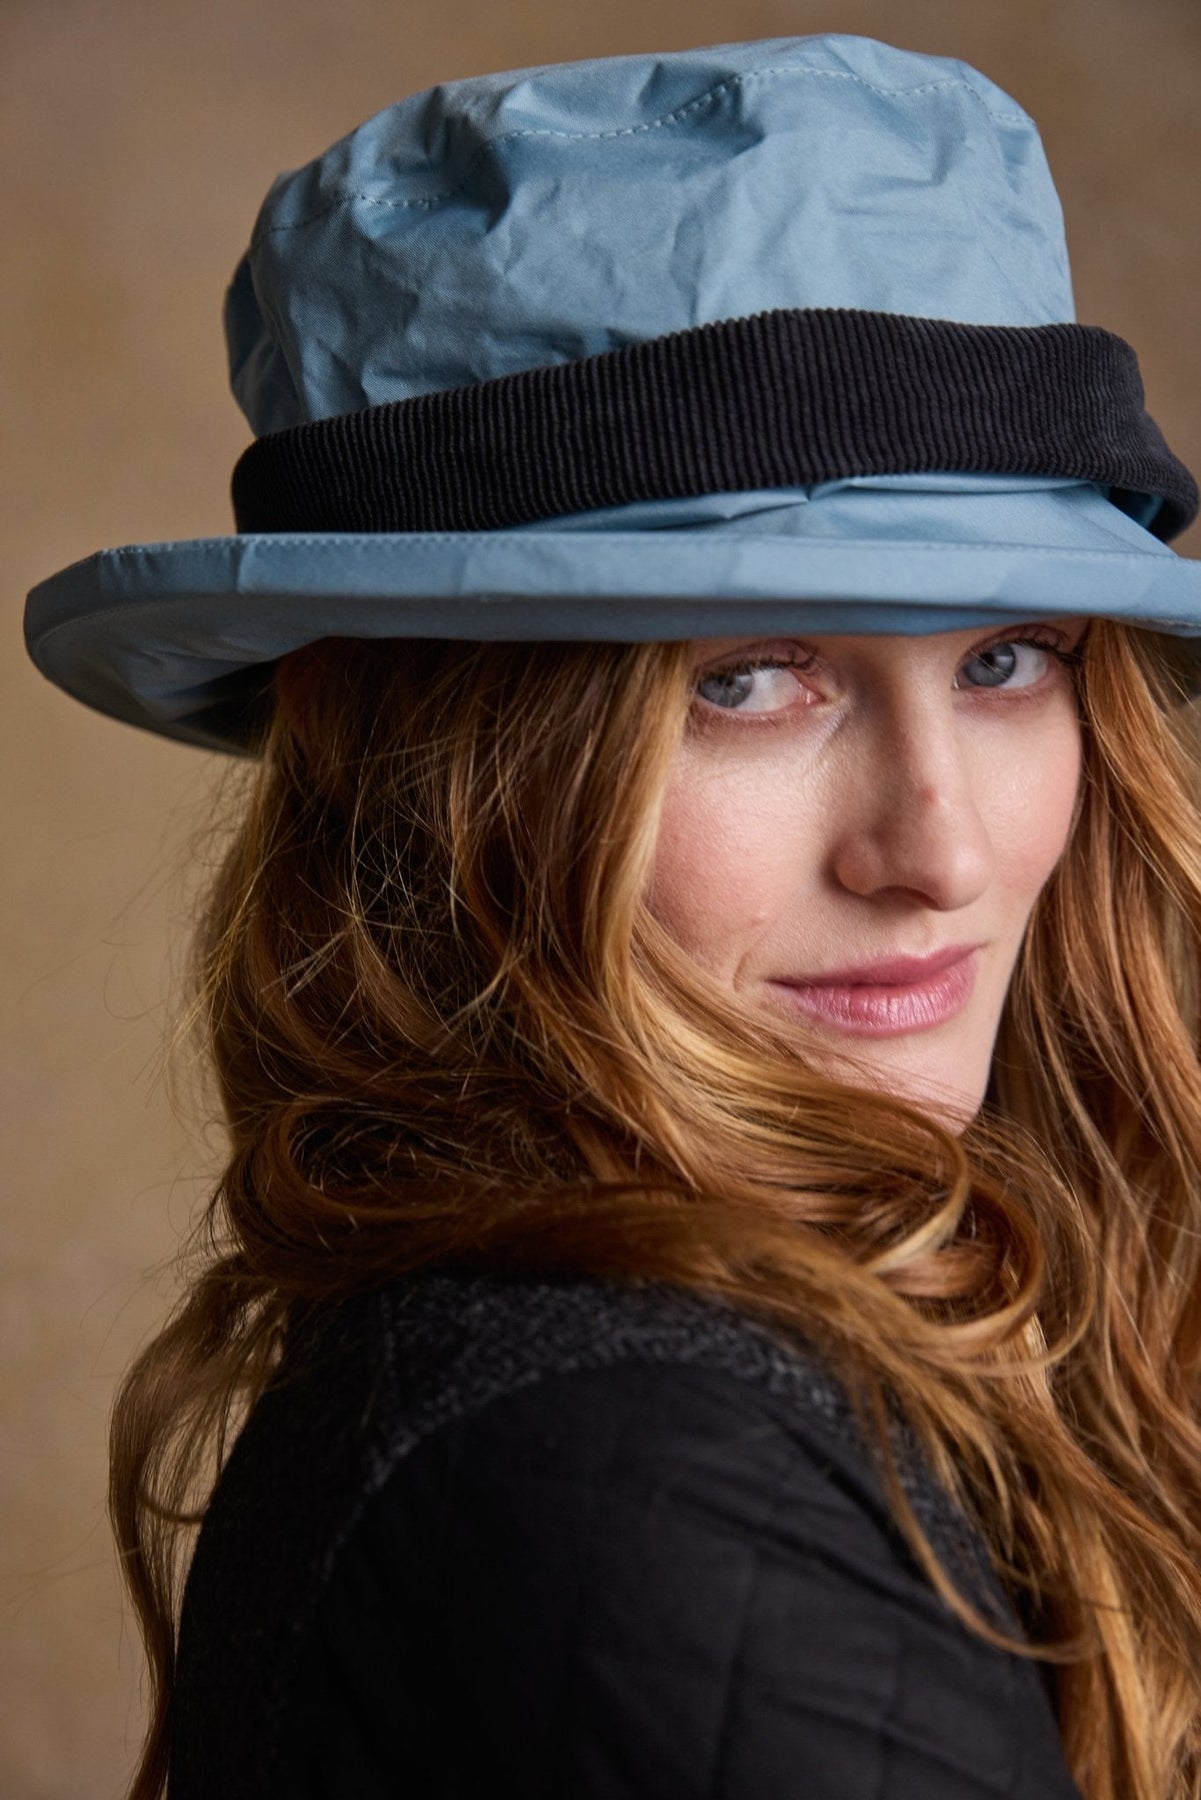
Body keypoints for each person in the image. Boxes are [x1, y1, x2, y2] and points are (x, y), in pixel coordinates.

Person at [23, 33, 1201, 1800]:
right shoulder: (626, 1461)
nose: (939, 851)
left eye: (1003, 660)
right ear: (446, 773)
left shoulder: (757, 1376)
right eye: (747, 680)